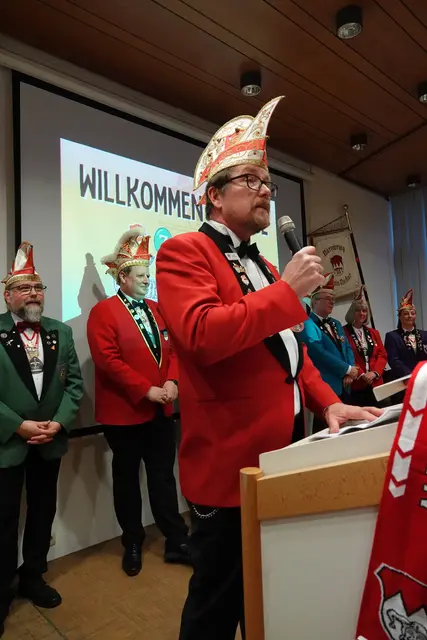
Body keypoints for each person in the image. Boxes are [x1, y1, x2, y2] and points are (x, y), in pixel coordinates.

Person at [155, 96, 382, 640]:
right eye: (251, 180)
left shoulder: (263, 265)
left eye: (267, 182)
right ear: (215, 195)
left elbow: (289, 354)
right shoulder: (185, 252)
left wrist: (329, 403)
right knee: (215, 606)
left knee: (265, 595)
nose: (265, 190)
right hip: (227, 468)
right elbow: (202, 336)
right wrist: (286, 293)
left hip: (281, 456)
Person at [86, 227, 191, 578]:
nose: (148, 280)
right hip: (124, 415)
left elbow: (174, 349)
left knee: (163, 478)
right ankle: (132, 541)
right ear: (123, 277)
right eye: (142, 275)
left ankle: (177, 540)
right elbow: (108, 360)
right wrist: (146, 390)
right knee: (127, 481)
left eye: (148, 274)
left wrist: (172, 381)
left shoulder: (158, 309)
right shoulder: (103, 312)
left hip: (160, 411)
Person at [0, 242, 83, 637]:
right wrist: (18, 425)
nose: (33, 294)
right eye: (24, 288)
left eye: (38, 287)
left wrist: (59, 423)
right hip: (7, 444)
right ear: (8, 296)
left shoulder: (61, 331)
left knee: (42, 513)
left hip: (49, 442)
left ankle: (33, 576)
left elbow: (75, 385)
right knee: (3, 521)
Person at [297, 274, 356, 431]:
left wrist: (350, 370)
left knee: (347, 429)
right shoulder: (307, 323)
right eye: (328, 298)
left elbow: (347, 347)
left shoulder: (336, 323)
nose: (332, 301)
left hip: (345, 384)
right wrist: (346, 369)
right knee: (327, 430)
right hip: (327, 385)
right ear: (315, 301)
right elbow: (318, 353)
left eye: (333, 298)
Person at [343, 287, 388, 406]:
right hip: (357, 383)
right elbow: (346, 356)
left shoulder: (374, 332)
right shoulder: (343, 332)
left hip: (376, 382)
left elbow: (382, 355)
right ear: (352, 312)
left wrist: (374, 373)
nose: (362, 313)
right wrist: (362, 374)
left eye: (364, 311)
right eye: (358, 310)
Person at [385, 288, 427, 380]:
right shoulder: (392, 336)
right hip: (405, 379)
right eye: (406, 314)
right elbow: (393, 360)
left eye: (413, 313)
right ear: (400, 317)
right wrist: (410, 375)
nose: (410, 316)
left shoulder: (425, 334)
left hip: (424, 377)